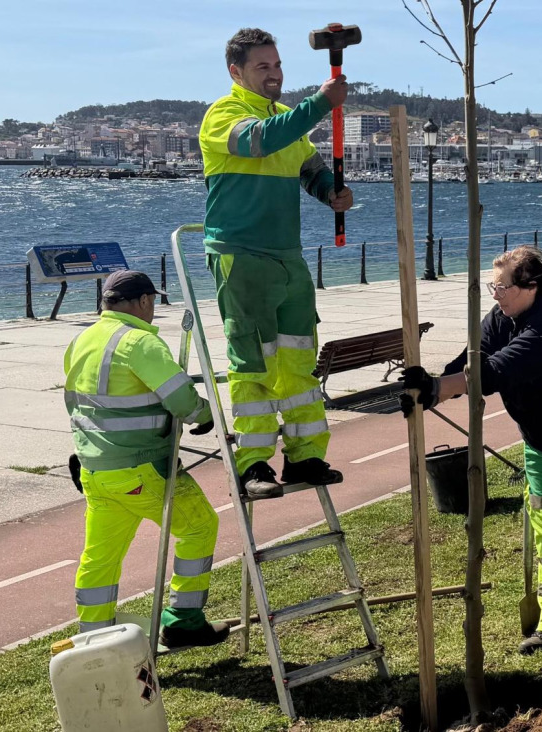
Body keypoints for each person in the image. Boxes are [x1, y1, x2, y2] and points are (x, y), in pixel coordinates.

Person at [398, 247, 542, 658]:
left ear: (531, 287)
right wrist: (430, 390)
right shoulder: (502, 317)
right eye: (493, 286)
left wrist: (439, 388)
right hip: (539, 443)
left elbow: (494, 371)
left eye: (502, 287)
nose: (496, 295)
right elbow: (473, 358)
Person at [198, 28, 352, 496]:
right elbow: (258, 142)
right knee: (253, 363)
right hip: (240, 254)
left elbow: (310, 169)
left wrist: (332, 192)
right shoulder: (223, 115)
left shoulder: (286, 119)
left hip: (288, 256)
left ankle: (305, 458)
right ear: (236, 72)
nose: (274, 74)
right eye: (262, 66)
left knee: (299, 361)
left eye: (278, 65)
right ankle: (252, 465)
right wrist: (320, 104)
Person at [63, 271, 227, 648]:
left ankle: (94, 638)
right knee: (199, 526)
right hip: (141, 466)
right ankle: (184, 621)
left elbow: (75, 401)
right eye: (152, 301)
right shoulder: (139, 342)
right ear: (143, 301)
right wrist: (206, 415)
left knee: (100, 556)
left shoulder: (81, 339)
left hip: (96, 468)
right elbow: (181, 399)